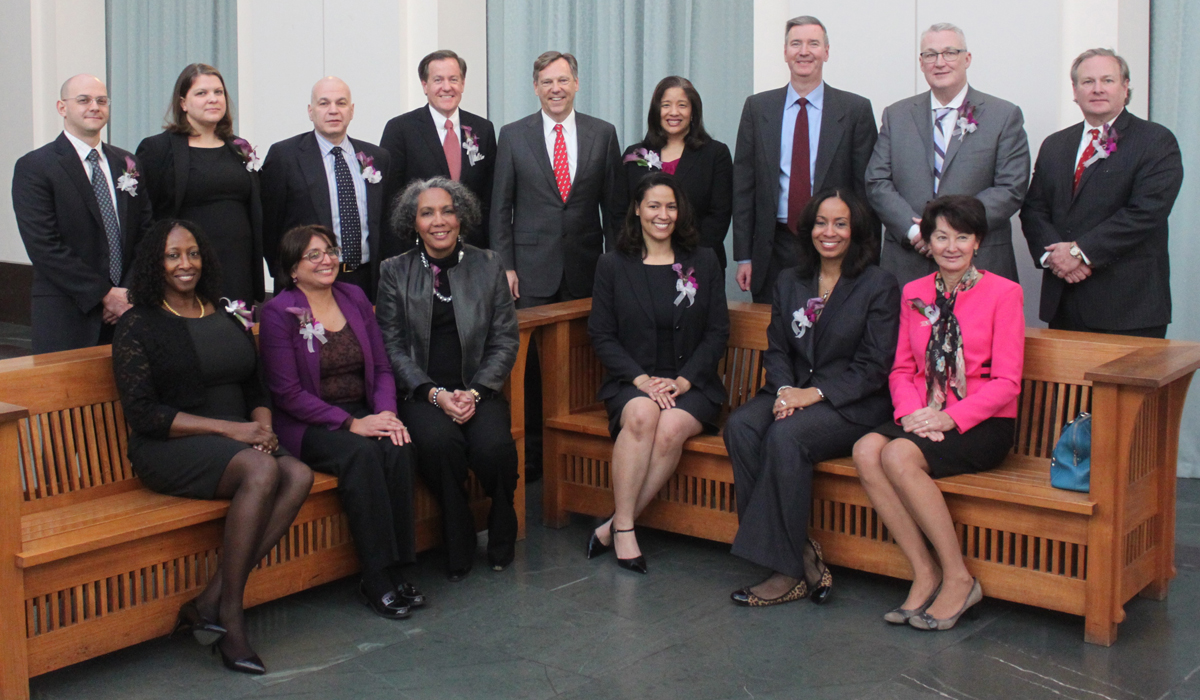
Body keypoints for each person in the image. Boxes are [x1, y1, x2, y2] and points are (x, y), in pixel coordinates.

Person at [112, 219, 313, 674]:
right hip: (169, 447)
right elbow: (145, 415)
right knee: (263, 472)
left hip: (237, 441)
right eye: (172, 255)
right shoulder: (138, 324)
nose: (185, 264)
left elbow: (256, 388)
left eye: (193, 253)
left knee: (297, 473)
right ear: (154, 264)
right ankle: (231, 616)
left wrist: (262, 427)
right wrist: (234, 433)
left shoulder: (223, 314)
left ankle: (207, 601)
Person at [853, 195, 1024, 631]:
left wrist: (949, 417)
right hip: (923, 413)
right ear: (927, 242)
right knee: (866, 448)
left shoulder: (1005, 293)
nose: (951, 246)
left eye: (962, 237)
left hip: (983, 422)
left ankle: (958, 577)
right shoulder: (913, 292)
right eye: (941, 236)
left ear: (977, 242)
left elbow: (1007, 383)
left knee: (896, 456)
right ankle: (923, 571)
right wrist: (914, 414)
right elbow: (901, 369)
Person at [725, 189, 899, 606]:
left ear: (856, 231)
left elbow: (875, 365)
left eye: (840, 223)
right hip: (791, 391)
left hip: (851, 403)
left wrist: (812, 395)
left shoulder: (879, 284)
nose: (830, 232)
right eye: (821, 222)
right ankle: (801, 552)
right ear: (808, 229)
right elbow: (778, 348)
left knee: (786, 438)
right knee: (742, 426)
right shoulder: (790, 280)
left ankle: (786, 572)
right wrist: (786, 391)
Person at [259, 225, 423, 621]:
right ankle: (375, 577)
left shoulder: (353, 296)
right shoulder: (279, 312)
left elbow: (383, 368)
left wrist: (386, 415)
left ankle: (399, 566)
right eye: (313, 255)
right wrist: (351, 424)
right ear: (293, 269)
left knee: (399, 445)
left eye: (329, 251)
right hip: (308, 423)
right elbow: (287, 394)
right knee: (362, 454)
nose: (326, 260)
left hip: (363, 411)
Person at [490, 50, 625, 482]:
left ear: (577, 83)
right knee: (530, 370)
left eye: (563, 80)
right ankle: (533, 458)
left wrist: (615, 268)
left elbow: (615, 210)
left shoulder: (602, 134)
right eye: (547, 82)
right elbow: (501, 209)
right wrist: (506, 267)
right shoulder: (513, 136)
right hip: (530, 272)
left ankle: (582, 457)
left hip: (587, 271)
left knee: (585, 363)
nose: (556, 89)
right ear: (535, 87)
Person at [585, 172, 729, 574]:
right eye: (653, 205)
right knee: (644, 415)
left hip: (692, 382)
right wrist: (641, 381)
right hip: (632, 380)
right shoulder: (612, 265)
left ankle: (615, 525)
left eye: (670, 206)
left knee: (669, 428)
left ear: (679, 211)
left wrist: (683, 381)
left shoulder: (703, 260)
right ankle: (625, 528)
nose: (662, 214)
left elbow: (718, 330)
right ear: (637, 209)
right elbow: (602, 333)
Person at [377, 177, 520, 581]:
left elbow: (505, 340)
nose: (439, 221)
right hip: (421, 394)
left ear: (462, 217)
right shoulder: (394, 271)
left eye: (447, 211)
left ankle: (502, 513)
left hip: (480, 390)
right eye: (427, 213)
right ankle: (456, 535)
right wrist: (433, 393)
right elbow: (393, 345)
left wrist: (475, 392)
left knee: (494, 449)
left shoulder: (488, 264)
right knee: (441, 446)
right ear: (414, 222)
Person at [1020, 48, 1184, 338]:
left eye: (1107, 80)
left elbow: (1146, 212)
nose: (1097, 89)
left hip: (1129, 308)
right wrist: (1056, 259)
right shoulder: (1055, 145)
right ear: (1075, 90)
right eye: (1087, 82)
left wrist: (1078, 253)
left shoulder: (1155, 140)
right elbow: (1034, 209)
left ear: (1125, 87)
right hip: (1064, 302)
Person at [868, 23, 1030, 286]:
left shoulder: (1003, 115)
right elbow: (877, 182)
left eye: (949, 52)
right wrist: (916, 232)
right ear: (921, 63)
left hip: (980, 263)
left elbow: (1011, 188)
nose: (939, 62)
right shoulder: (896, 115)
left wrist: (949, 233)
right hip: (909, 262)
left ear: (967, 59)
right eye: (930, 55)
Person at [732, 15, 877, 304]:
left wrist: (867, 256)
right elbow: (744, 186)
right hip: (774, 246)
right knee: (773, 338)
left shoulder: (855, 110)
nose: (804, 51)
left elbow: (866, 191)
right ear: (785, 52)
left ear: (826, 51)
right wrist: (744, 256)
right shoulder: (758, 108)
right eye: (796, 43)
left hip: (836, 244)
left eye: (813, 43)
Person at [12, 74, 153, 353]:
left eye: (102, 100)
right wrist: (103, 294)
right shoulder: (36, 167)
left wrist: (126, 293)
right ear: (62, 107)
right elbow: (43, 245)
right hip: (67, 312)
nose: (94, 107)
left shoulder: (127, 163)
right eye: (83, 100)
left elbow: (146, 232)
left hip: (127, 310)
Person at [137, 63, 266, 303]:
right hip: (187, 268)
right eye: (202, 93)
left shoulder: (240, 148)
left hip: (238, 266)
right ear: (183, 103)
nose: (213, 99)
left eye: (218, 93)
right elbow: (146, 218)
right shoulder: (158, 149)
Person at [260, 78, 391, 300]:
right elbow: (269, 227)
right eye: (324, 103)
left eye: (341, 103)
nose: (333, 110)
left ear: (351, 111)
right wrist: (285, 276)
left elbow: (386, 224)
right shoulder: (285, 157)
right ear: (310, 112)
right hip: (309, 282)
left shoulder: (377, 157)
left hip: (367, 281)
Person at [380, 50, 496, 253]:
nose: (446, 87)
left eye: (453, 79)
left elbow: (490, 198)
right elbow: (391, 200)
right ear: (425, 85)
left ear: (462, 83)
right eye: (438, 80)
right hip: (418, 251)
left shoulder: (482, 129)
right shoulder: (400, 129)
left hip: (473, 251)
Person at [623, 76, 733, 269]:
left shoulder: (715, 154)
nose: (674, 112)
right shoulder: (634, 155)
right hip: (642, 261)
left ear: (693, 112)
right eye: (666, 105)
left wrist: (685, 255)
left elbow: (719, 215)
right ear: (657, 111)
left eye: (682, 105)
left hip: (698, 263)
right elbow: (622, 210)